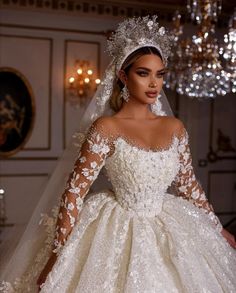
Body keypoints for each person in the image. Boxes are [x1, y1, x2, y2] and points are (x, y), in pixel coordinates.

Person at [1, 16, 236, 293]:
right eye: (143, 73)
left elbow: (189, 185)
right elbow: (75, 193)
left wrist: (217, 229)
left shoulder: (174, 128)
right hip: (116, 229)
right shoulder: (106, 128)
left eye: (160, 74)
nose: (154, 84)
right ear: (124, 76)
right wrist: (57, 256)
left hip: (171, 226)